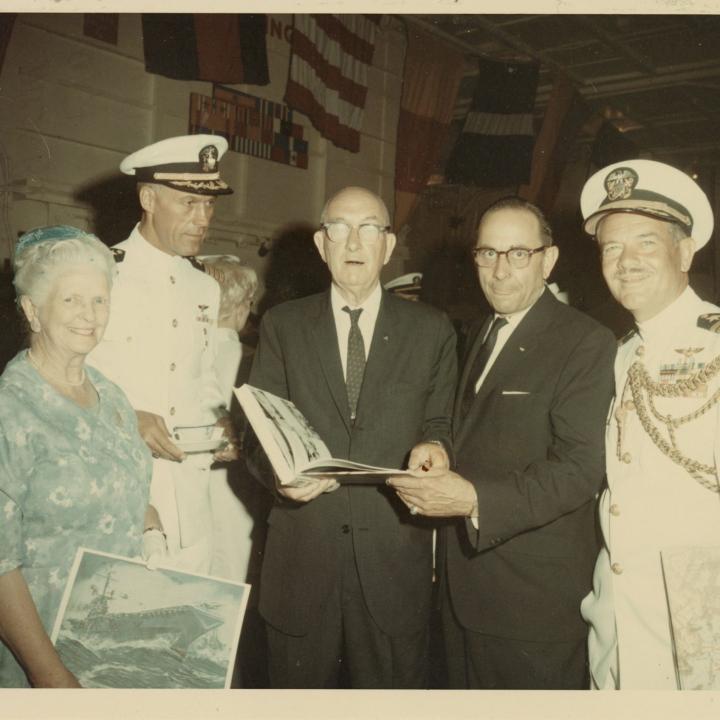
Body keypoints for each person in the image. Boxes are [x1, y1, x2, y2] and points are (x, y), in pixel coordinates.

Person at [389, 197, 616, 689]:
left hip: (530, 606)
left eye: (518, 254)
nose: (499, 270)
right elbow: (473, 427)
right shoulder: (483, 328)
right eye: (487, 254)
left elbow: (580, 469)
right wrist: (439, 446)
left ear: (548, 260)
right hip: (464, 589)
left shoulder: (586, 342)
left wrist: (472, 498)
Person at [245, 186, 457, 688]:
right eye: (340, 228)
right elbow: (256, 432)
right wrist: (280, 478)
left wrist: (437, 449)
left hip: (392, 566)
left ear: (388, 245)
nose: (354, 242)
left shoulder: (432, 330)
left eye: (370, 228)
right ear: (322, 244)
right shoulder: (283, 326)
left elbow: (439, 425)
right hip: (302, 559)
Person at [0, 225, 163, 688]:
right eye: (71, 300)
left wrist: (152, 531)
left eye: (99, 300)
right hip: (39, 655)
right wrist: (49, 674)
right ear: (32, 309)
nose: (89, 315)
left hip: (113, 646)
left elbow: (129, 492)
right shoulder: (11, 409)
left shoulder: (110, 395)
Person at [578, 159, 720, 689]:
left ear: (685, 251)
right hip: (617, 629)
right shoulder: (622, 353)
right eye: (611, 247)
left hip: (698, 638)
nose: (626, 260)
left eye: (646, 243)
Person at [88, 134, 236, 575]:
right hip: (120, 488)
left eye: (209, 205)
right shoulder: (99, 273)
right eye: (188, 204)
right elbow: (61, 376)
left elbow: (203, 377)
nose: (203, 219)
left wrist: (223, 420)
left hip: (191, 492)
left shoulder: (205, 287)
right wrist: (125, 414)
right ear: (149, 198)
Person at [200, 255, 259, 583]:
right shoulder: (251, 360)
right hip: (236, 485)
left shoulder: (187, 353)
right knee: (232, 576)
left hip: (190, 481)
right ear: (242, 306)